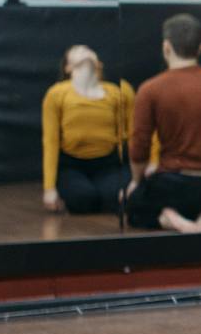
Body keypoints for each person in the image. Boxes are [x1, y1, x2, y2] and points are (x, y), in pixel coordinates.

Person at [125, 14, 201, 233]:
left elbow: (139, 148)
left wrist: (137, 182)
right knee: (193, 195)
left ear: (166, 47)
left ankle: (170, 217)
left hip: (171, 184)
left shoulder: (151, 88)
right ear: (200, 48)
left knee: (132, 205)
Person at [41, 44, 132, 215]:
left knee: (115, 198)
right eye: (78, 50)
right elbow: (51, 142)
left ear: (99, 63)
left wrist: (135, 180)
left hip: (108, 164)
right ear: (68, 67)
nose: (85, 51)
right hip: (72, 165)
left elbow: (132, 134)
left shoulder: (119, 90)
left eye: (89, 49)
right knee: (82, 199)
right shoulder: (56, 93)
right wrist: (49, 189)